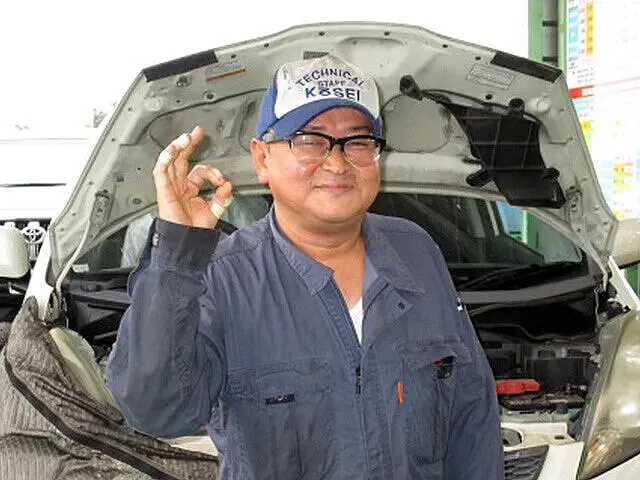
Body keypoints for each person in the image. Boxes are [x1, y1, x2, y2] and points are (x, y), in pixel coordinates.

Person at [107, 54, 504, 479]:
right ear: (262, 158)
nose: (337, 162)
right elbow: (157, 411)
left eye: (358, 141)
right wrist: (176, 255)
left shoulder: (417, 252)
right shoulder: (220, 277)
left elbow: (471, 414)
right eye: (309, 140)